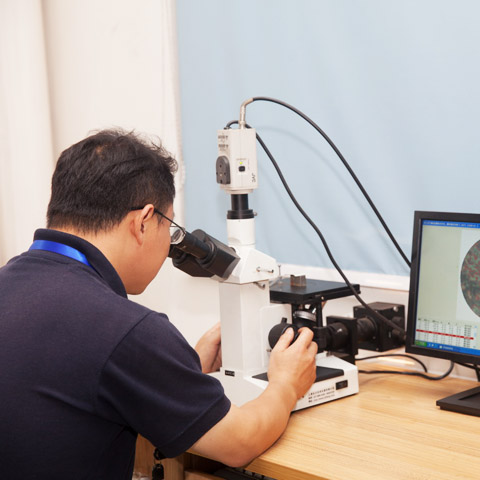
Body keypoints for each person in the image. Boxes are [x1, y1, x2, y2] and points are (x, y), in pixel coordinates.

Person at [0, 129, 317, 479]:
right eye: (170, 228)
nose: (169, 245)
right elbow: (239, 444)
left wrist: (179, 372)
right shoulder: (125, 330)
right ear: (144, 221)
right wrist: (287, 383)